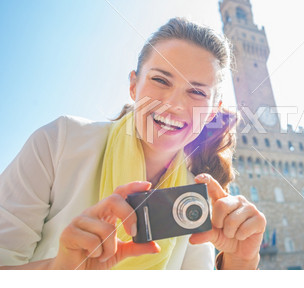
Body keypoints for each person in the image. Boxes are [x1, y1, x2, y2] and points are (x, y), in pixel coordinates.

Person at [0, 17, 266, 270]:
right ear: (133, 85)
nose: (173, 104)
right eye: (160, 80)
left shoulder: (194, 198)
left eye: (196, 92)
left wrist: (241, 261)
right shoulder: (59, 142)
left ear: (211, 112)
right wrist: (58, 270)